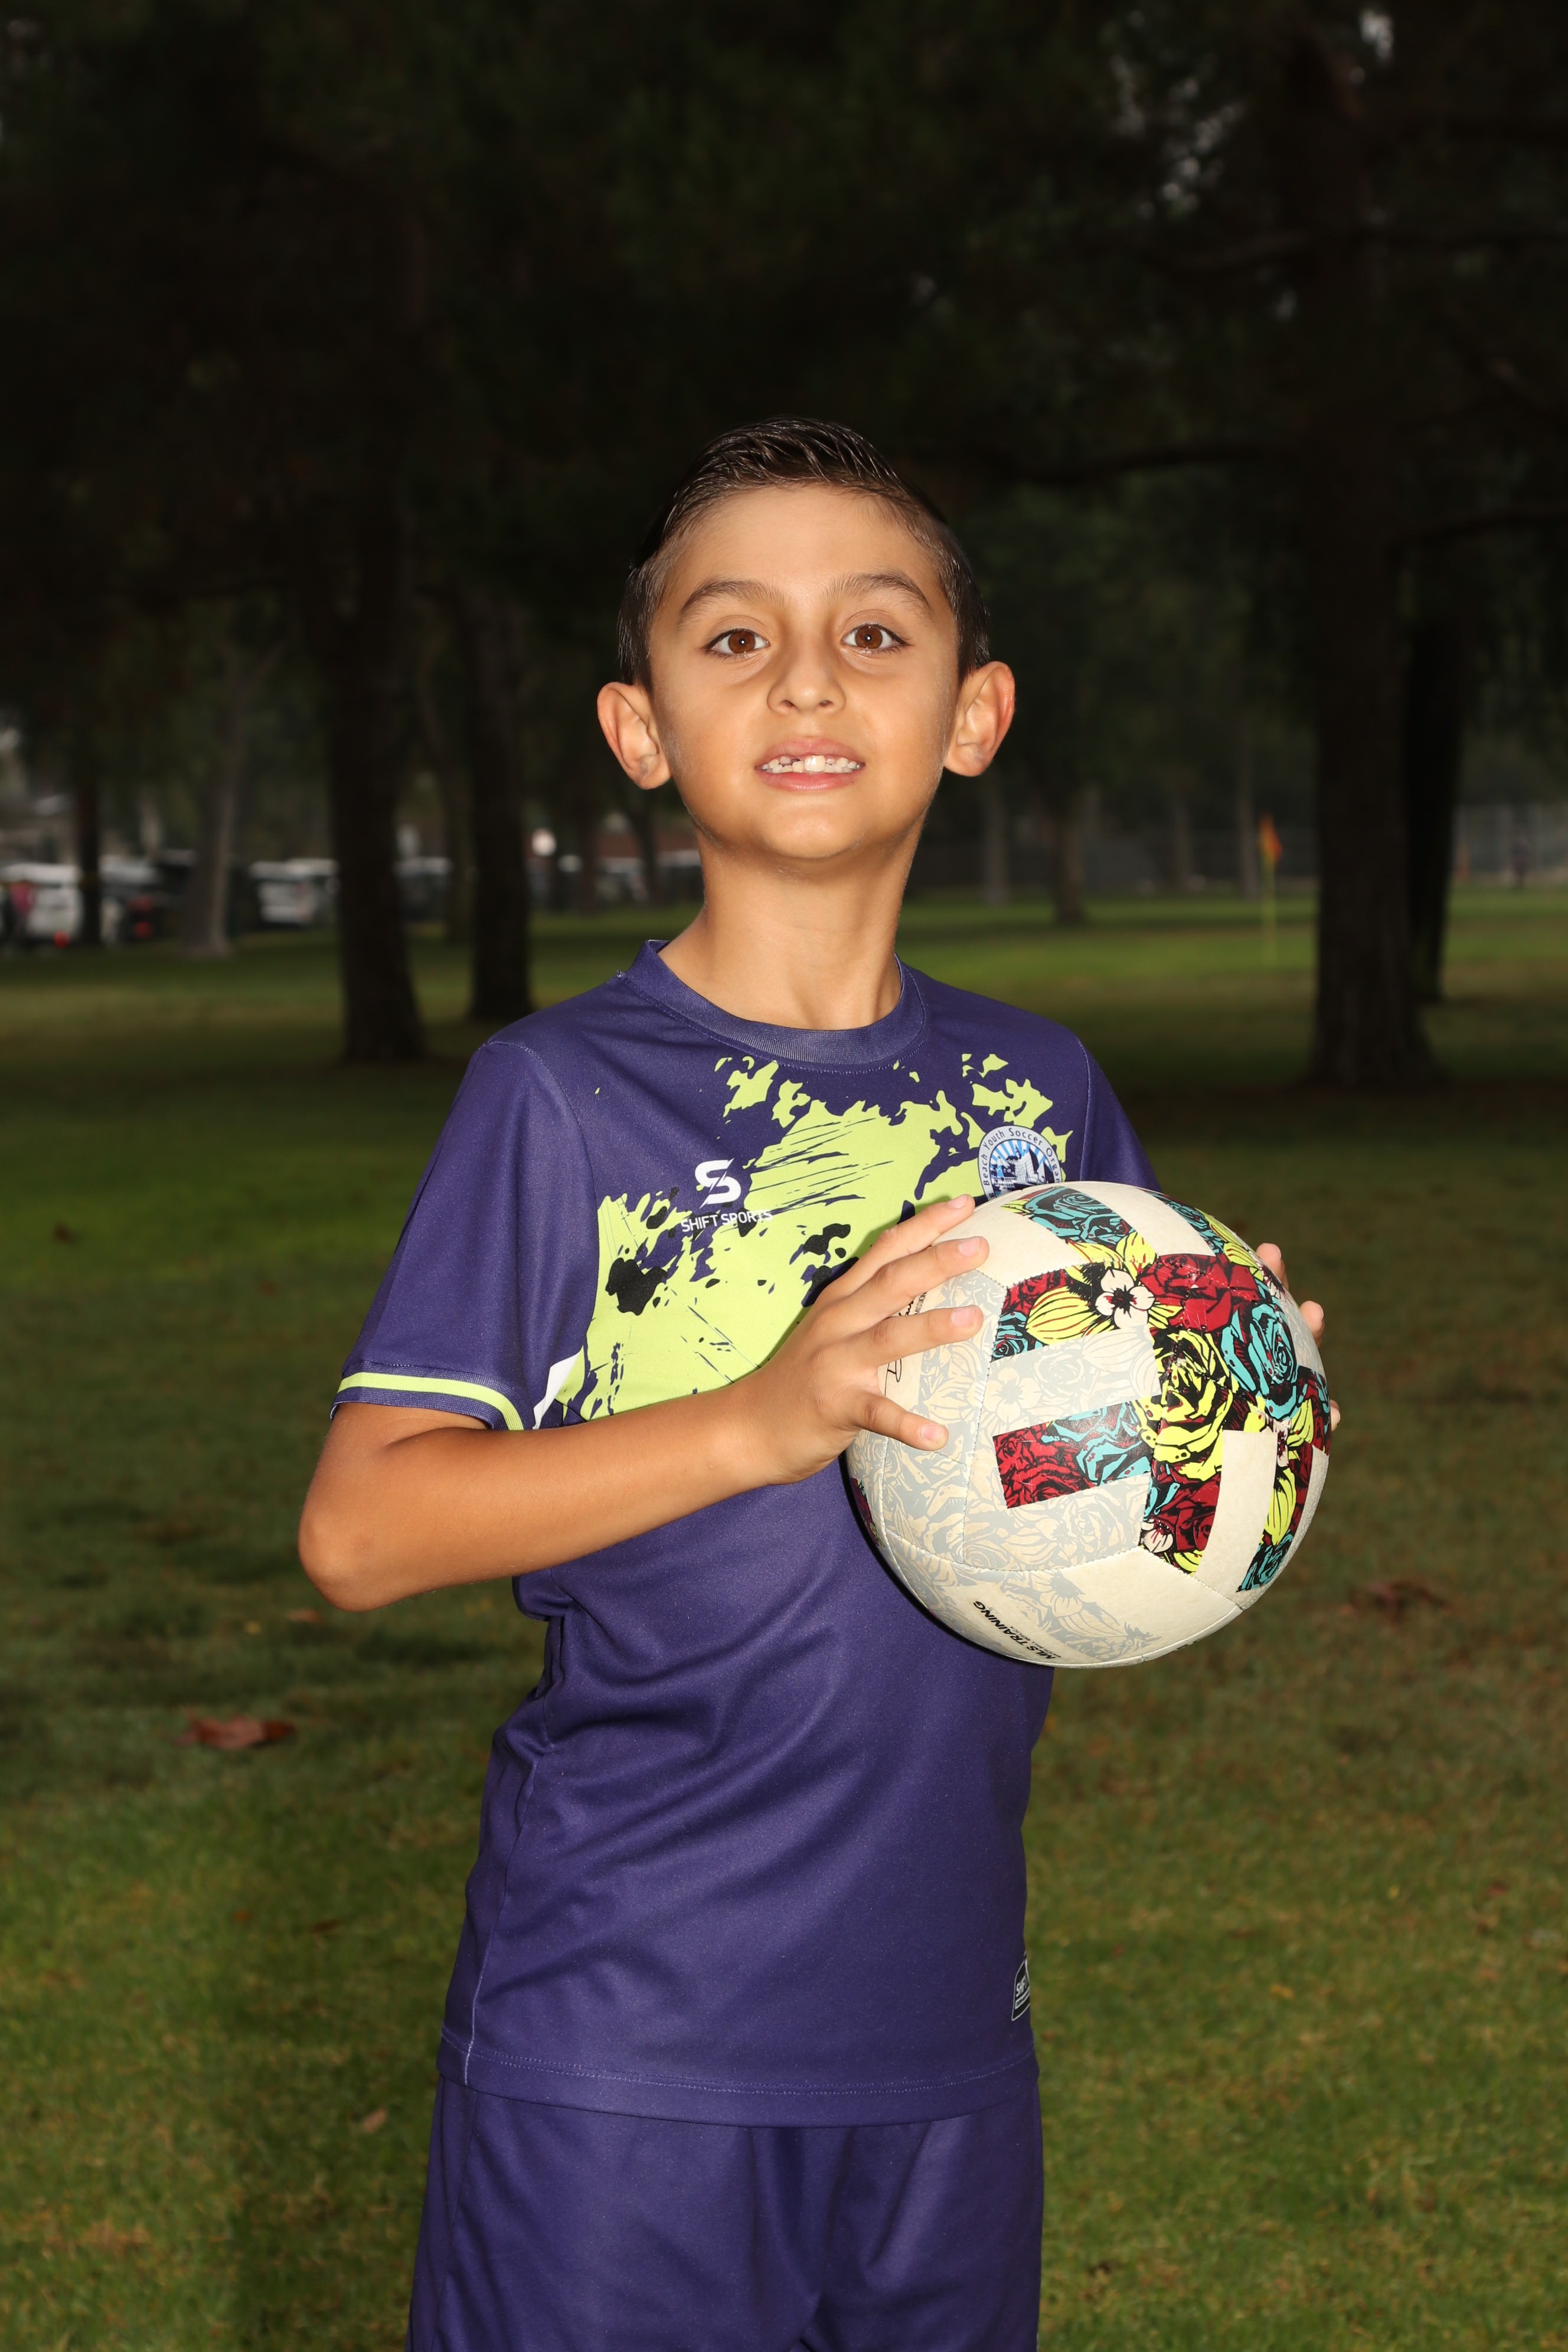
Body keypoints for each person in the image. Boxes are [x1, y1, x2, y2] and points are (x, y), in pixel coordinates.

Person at [300, 418, 1329, 2352]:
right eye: (733, 636)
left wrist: (1227, 1402)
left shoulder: (1047, 1097)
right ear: (640, 730)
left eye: (872, 633)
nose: (804, 679)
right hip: (626, 2050)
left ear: (974, 713)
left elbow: (1093, 1532)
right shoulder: (559, 1096)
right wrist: (755, 1423)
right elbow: (361, 1530)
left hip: (946, 2040)